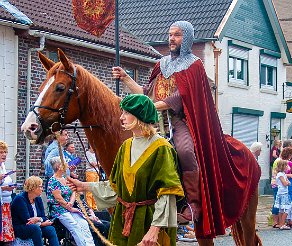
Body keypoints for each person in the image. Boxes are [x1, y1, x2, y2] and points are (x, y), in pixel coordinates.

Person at [112, 20, 260, 240]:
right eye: (170, 34)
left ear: (187, 38)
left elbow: (182, 97)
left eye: (178, 35)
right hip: (155, 121)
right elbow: (146, 94)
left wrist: (150, 105)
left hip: (183, 121)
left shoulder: (194, 65)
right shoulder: (160, 65)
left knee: (184, 151)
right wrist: (126, 78)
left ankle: (192, 203)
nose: (172, 38)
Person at [68, 94, 184, 246]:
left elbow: (168, 193)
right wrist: (84, 186)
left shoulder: (161, 148)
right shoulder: (125, 146)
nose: (121, 117)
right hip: (122, 221)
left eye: (127, 112)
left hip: (148, 221)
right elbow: (117, 188)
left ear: (140, 114)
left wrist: (154, 230)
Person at [47, 156, 95, 246]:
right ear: (59, 167)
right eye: (65, 163)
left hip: (69, 207)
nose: (67, 165)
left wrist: (71, 203)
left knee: (83, 223)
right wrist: (69, 207)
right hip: (59, 210)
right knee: (74, 226)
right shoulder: (53, 181)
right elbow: (58, 198)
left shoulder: (65, 178)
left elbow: (73, 191)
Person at [10, 176, 59, 246]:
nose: (42, 189)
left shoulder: (38, 199)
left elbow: (44, 217)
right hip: (21, 228)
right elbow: (27, 221)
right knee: (35, 228)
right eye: (40, 187)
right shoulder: (20, 199)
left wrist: (38, 219)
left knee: (50, 229)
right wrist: (41, 224)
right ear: (33, 188)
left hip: (35, 227)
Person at [271, 147, 292, 227]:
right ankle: (276, 222)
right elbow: (277, 174)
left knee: (281, 206)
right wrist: (289, 178)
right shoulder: (279, 161)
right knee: (278, 204)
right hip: (277, 185)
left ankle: (280, 222)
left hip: (279, 185)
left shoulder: (282, 162)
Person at [0, 140, 15, 243]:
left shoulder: (2, 166)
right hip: (1, 202)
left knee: (7, 237)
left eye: (5, 152)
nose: (4, 154)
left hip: (5, 202)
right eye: (1, 152)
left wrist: (7, 188)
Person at [273, 160, 292, 230]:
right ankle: (282, 223)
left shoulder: (283, 174)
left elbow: (288, 182)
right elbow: (285, 183)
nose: (288, 167)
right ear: (283, 166)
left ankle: (281, 224)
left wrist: (288, 182)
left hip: (284, 192)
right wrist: (287, 182)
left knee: (281, 210)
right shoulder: (280, 174)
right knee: (287, 208)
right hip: (283, 193)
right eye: (286, 165)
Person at [85, 144, 100, 210]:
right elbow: (92, 164)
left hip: (97, 172)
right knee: (90, 189)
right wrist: (98, 164)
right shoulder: (88, 153)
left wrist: (97, 164)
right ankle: (89, 206)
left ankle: (95, 205)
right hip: (90, 172)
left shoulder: (96, 153)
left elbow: (100, 163)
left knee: (96, 189)